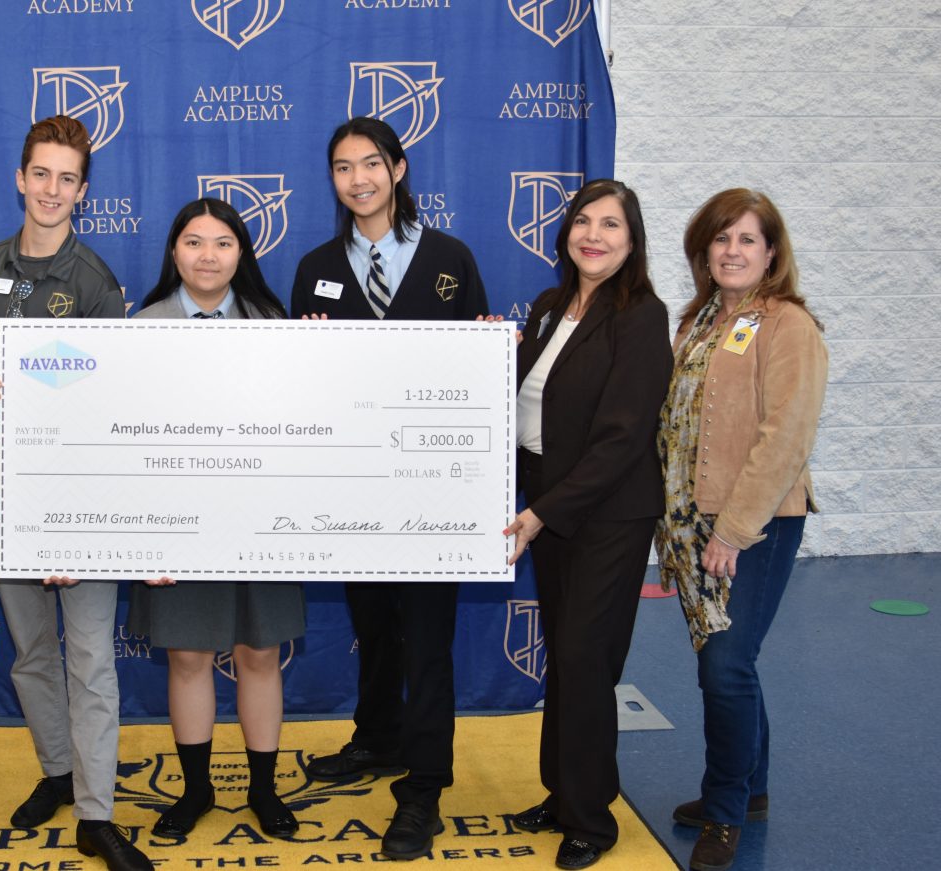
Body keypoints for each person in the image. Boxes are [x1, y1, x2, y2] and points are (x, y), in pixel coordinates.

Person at [290, 116, 490, 861]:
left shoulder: (450, 258)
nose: (358, 180)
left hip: (433, 493)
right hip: (354, 489)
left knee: (427, 640)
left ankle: (424, 788)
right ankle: (375, 739)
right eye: (343, 168)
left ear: (399, 169)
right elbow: (299, 386)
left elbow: (477, 370)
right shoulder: (314, 265)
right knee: (372, 622)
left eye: (371, 164)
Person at [0, 115, 151, 871]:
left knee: (91, 652)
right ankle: (56, 771)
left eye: (67, 178)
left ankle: (97, 814)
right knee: (32, 647)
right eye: (41, 173)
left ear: (84, 190)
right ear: (19, 177)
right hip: (1, 475)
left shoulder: (96, 282)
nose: (52, 189)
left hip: (80, 486)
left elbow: (106, 405)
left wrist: (76, 525)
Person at [654, 189, 826, 871]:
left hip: (751, 525)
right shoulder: (698, 320)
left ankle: (723, 810)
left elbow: (786, 436)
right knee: (727, 661)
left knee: (725, 667)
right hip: (693, 523)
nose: (731, 251)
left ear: (772, 253)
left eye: (746, 240)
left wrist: (733, 530)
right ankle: (750, 788)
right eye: (720, 240)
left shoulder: (787, 325)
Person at [502, 180, 672, 870]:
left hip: (606, 514)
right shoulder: (548, 306)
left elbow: (622, 437)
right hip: (551, 504)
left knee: (584, 660)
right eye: (582, 221)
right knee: (567, 660)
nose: (592, 234)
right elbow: (518, 396)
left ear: (631, 241)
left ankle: (591, 818)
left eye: (610, 224)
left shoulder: (641, 315)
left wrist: (542, 513)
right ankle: (563, 793)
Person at [127, 198, 303, 839]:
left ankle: (265, 791)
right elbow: (128, 444)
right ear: (174, 251)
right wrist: (144, 537)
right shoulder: (139, 329)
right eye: (194, 242)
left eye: (223, 243)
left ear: (241, 253)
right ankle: (195, 791)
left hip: (261, 521)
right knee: (189, 658)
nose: (208, 256)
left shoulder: (274, 323)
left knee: (261, 653)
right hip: (177, 524)